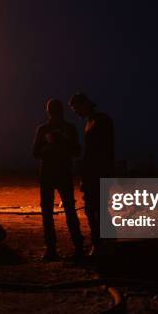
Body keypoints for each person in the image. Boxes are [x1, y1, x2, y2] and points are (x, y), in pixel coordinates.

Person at [33, 99, 84, 261]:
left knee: (57, 212)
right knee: (63, 211)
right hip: (55, 175)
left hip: (56, 174)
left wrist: (61, 143)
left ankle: (60, 249)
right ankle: (70, 248)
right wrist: (50, 146)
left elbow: (76, 151)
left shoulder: (59, 129)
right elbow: (35, 152)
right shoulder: (48, 129)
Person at [69, 92, 115, 255]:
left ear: (84, 105)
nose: (76, 113)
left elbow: (105, 150)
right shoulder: (91, 121)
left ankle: (105, 244)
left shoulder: (101, 121)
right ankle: (102, 243)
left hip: (99, 172)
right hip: (92, 172)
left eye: (76, 109)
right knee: (93, 209)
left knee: (99, 209)